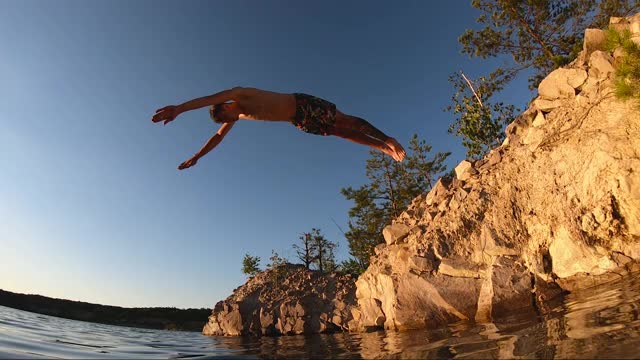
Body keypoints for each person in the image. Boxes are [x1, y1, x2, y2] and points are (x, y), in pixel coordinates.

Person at [151, 87, 406, 170]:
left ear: (225, 105)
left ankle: (388, 138)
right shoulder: (239, 116)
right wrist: (197, 156)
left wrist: (180, 109)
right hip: (300, 121)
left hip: (303, 104)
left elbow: (206, 99)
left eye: (226, 115)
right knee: (341, 132)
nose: (231, 121)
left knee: (347, 121)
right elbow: (218, 138)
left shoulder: (241, 95)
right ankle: (382, 147)